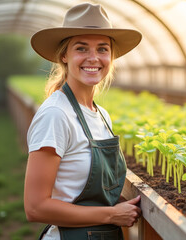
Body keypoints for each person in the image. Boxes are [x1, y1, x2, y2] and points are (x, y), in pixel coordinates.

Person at [23, 3, 142, 240]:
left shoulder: (102, 115)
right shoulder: (56, 115)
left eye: (102, 49)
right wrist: (110, 215)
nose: (93, 58)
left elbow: (87, 190)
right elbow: (35, 207)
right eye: (82, 48)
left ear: (111, 56)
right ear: (64, 55)